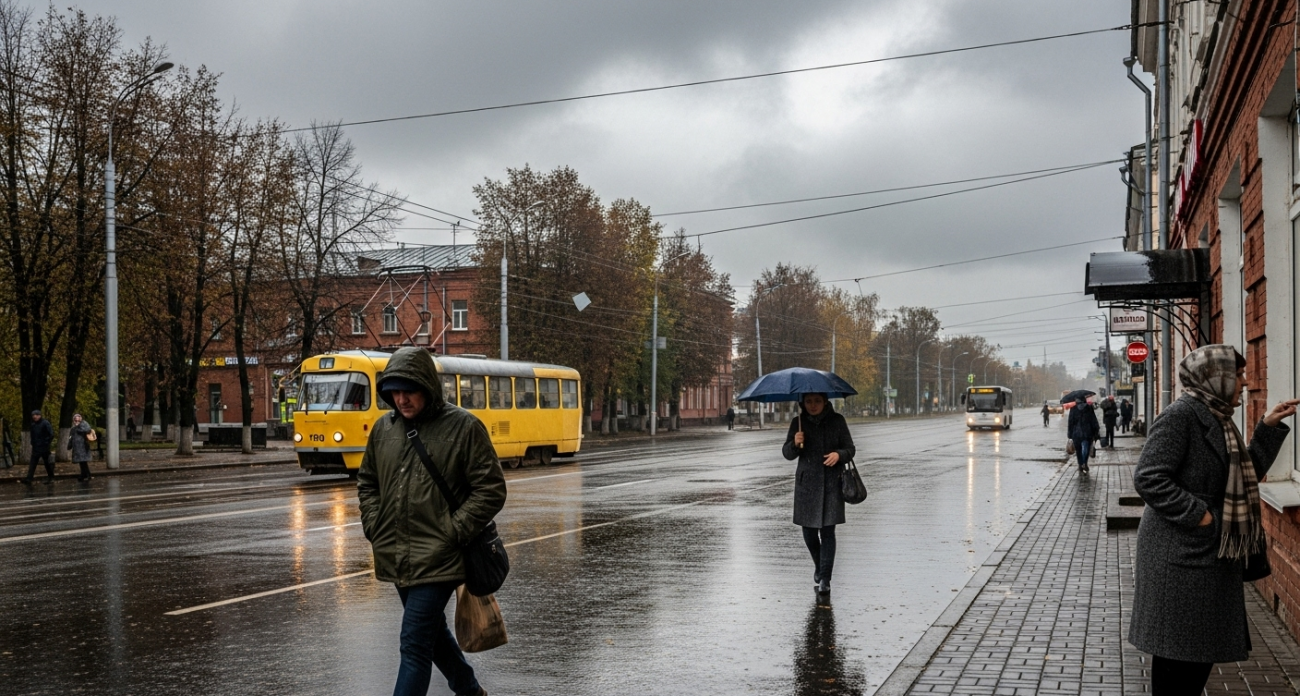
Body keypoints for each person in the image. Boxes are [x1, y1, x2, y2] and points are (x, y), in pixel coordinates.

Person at [1129, 344, 1297, 696]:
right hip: (1181, 555)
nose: (1244, 382)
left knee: (1192, 658)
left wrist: (1267, 427)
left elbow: (1242, 476)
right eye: (1237, 375)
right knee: (1179, 661)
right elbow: (1148, 477)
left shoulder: (1218, 417)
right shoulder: (1181, 416)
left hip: (1201, 554)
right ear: (1215, 378)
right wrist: (1201, 516)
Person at [357, 347, 505, 696]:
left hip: (441, 557)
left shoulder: (463, 427)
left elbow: (491, 489)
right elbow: (367, 482)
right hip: (397, 553)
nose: (402, 399)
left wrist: (453, 532)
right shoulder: (383, 429)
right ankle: (470, 690)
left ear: (427, 387)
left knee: (413, 643)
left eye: (409, 390)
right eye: (394, 391)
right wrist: (375, 525)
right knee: (430, 634)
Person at [782, 392, 856, 597]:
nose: (812, 405)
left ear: (825, 402)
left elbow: (850, 449)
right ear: (803, 403)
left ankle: (825, 579)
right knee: (808, 533)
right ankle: (819, 565)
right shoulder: (798, 423)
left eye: (817, 401)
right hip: (807, 485)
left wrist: (838, 455)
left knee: (828, 532)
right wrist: (795, 443)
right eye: (808, 401)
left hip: (832, 484)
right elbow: (787, 454)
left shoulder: (837, 421)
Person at [1068, 398, 1100, 474]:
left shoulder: (1073, 409)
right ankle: (1084, 463)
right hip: (1087, 432)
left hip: (1076, 433)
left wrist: (1070, 434)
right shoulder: (1089, 408)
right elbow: (1093, 420)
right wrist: (1096, 431)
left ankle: (1080, 464)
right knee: (1086, 448)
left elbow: (1070, 422)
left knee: (1078, 450)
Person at [23, 410, 54, 484]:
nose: (34, 416)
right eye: (33, 415)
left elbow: (51, 434)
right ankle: (29, 478)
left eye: (36, 415)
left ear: (40, 415)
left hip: (44, 447)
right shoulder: (33, 425)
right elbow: (33, 435)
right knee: (33, 463)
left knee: (47, 463)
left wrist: (46, 443)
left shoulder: (45, 423)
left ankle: (51, 477)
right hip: (36, 447)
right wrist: (33, 443)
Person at [68, 413, 92, 481]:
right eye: (75, 420)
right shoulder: (73, 428)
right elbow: (71, 437)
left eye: (78, 420)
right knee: (81, 462)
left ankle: (87, 475)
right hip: (77, 448)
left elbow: (88, 430)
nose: (76, 422)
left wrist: (79, 426)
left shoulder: (83, 424)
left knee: (83, 462)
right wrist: (69, 445)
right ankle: (84, 474)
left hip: (83, 447)